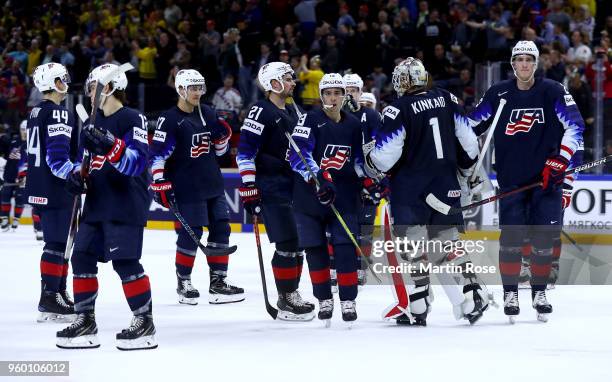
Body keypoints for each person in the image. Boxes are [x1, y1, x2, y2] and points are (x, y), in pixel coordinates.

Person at [364, 57, 489, 326]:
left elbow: (384, 158)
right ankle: (474, 291)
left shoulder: (397, 110)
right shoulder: (447, 99)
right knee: (448, 242)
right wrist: (466, 173)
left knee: (414, 246)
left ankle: (419, 303)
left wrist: (369, 163)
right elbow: (469, 145)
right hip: (445, 186)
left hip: (411, 191)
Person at [466, 41, 584, 323]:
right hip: (512, 182)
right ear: (512, 63)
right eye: (518, 59)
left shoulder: (553, 91)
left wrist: (561, 160)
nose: (524, 64)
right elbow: (470, 125)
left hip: (547, 182)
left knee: (543, 241)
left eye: (529, 59)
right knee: (511, 241)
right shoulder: (498, 93)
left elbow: (576, 127)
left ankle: (539, 292)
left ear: (536, 63)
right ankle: (510, 293)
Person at [56, 63, 156, 350]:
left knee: (125, 262)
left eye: (92, 88)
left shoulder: (133, 118)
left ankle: (144, 321)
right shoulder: (90, 125)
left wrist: (111, 145)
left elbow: (136, 163)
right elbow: (81, 162)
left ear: (108, 88)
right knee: (82, 258)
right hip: (97, 201)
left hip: (126, 200)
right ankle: (85, 320)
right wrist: (75, 178)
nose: (89, 94)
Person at [149, 69, 244, 306]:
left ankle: (218, 282)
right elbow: (157, 155)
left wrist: (222, 139)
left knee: (221, 229)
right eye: (192, 88)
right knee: (191, 234)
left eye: (200, 87)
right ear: (181, 89)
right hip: (186, 187)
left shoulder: (208, 113)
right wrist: (159, 180)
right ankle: (184, 282)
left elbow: (220, 153)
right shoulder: (170, 119)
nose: (197, 93)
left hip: (213, 183)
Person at [289, 73, 375, 325]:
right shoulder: (309, 119)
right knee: (316, 251)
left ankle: (348, 300)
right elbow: (298, 156)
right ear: (321, 96)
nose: (332, 97)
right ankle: (324, 299)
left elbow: (360, 161)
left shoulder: (354, 124)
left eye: (337, 93)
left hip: (344, 198)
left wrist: (371, 182)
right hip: (309, 200)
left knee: (346, 248)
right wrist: (318, 180)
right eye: (327, 93)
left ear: (344, 95)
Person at [236, 62, 315, 321]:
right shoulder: (260, 110)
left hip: (294, 184)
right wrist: (249, 185)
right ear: (274, 83)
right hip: (271, 185)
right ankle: (286, 297)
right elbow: (245, 151)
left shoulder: (293, 109)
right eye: (288, 78)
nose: (293, 82)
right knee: (287, 241)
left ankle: (292, 293)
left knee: (299, 241)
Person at [25, 63, 77, 323]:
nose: (65, 82)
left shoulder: (36, 112)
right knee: (57, 245)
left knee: (59, 244)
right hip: (56, 188)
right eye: (61, 79)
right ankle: (49, 298)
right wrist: (77, 175)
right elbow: (57, 160)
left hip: (39, 186)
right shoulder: (58, 113)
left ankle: (57, 292)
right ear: (52, 83)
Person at [342, 73, 385, 288]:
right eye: (346, 89)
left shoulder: (372, 116)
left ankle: (361, 266)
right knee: (340, 226)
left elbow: (380, 149)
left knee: (365, 227)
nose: (350, 93)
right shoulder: (334, 116)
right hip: (343, 180)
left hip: (367, 180)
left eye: (354, 90)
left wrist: (377, 180)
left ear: (360, 92)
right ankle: (337, 267)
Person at [1, 121, 26, 231]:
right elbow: (4, 154)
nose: (24, 132)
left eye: (26, 129)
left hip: (23, 176)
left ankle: (16, 219)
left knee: (20, 198)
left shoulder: (34, 143)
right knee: (4, 196)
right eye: (22, 129)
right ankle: (5, 219)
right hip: (9, 174)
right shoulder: (13, 141)